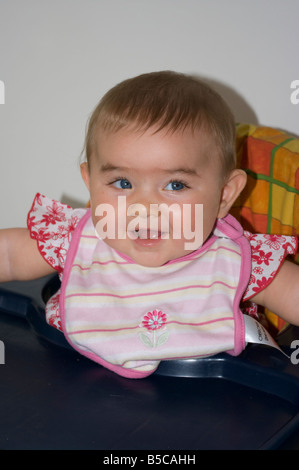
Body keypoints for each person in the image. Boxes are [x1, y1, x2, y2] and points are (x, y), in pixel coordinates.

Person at [0, 71, 298, 378]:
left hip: (206, 408)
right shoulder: (77, 241)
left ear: (224, 195)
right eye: (123, 182)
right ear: (90, 182)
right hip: (72, 383)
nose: (144, 207)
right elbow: (9, 254)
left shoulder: (236, 261)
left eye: (175, 185)